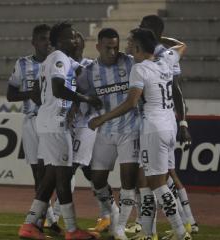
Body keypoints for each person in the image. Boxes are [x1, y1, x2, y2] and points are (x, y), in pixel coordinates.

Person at [89, 28, 192, 240]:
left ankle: (181, 232)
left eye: (129, 44)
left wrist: (102, 118)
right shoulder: (166, 61)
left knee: (158, 185)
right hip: (169, 126)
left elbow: (131, 103)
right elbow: (181, 46)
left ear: (137, 47)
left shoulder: (140, 69)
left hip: (153, 129)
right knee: (159, 183)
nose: (126, 48)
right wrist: (157, 39)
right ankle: (159, 231)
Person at [17, 22, 101, 240]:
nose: (74, 40)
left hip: (47, 122)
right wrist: (85, 99)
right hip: (56, 124)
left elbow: (38, 91)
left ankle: (29, 225)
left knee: (51, 178)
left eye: (75, 37)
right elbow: (57, 87)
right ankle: (72, 230)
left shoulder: (55, 59)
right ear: (57, 42)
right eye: (69, 37)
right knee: (63, 178)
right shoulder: (59, 58)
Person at [77, 28, 140, 240]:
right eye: (108, 48)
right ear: (98, 47)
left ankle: (119, 227)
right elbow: (83, 95)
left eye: (115, 47)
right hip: (105, 132)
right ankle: (111, 211)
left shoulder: (131, 62)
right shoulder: (90, 72)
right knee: (97, 178)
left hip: (130, 129)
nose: (113, 52)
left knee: (128, 181)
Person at [139, 15, 198, 236]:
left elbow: (176, 90)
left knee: (155, 180)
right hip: (161, 124)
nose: (140, 30)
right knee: (162, 177)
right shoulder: (162, 55)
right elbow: (182, 46)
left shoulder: (159, 56)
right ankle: (185, 222)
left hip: (155, 124)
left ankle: (178, 227)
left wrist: (183, 121)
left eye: (144, 28)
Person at [6, 24, 62, 234]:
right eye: (41, 39)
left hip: (53, 122)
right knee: (38, 173)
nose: (45, 42)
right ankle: (45, 219)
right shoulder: (23, 64)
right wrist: (29, 94)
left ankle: (44, 218)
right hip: (32, 122)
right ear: (34, 42)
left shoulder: (58, 62)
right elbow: (10, 95)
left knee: (53, 172)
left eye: (48, 38)